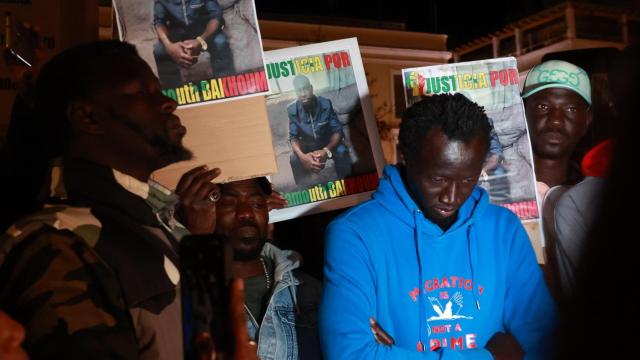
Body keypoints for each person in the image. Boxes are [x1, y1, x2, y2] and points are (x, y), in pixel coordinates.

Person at [0, 41, 254, 360]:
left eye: (159, 90)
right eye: (141, 93)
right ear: (87, 117)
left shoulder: (149, 221)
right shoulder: (57, 241)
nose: (168, 103)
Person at [319, 93, 556, 358]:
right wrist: (490, 357)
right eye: (437, 178)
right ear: (405, 155)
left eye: (468, 179)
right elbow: (349, 354)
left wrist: (397, 354)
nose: (452, 197)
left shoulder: (504, 229)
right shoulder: (355, 234)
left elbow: (543, 343)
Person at [177, 171, 322, 360]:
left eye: (257, 204)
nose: (246, 212)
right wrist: (196, 241)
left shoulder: (308, 291)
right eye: (228, 203)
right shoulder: (183, 294)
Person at [522, 59, 592, 194]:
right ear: (522, 111)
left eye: (571, 109)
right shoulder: (493, 187)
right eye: (543, 106)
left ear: (587, 120)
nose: (556, 121)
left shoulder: (599, 195)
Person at [153, 0, 234, 87]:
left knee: (220, 42)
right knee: (159, 51)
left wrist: (200, 41)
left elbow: (216, 16)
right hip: (177, 32)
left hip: (203, 31)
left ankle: (226, 85)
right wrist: (169, 46)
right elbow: (159, 21)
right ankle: (173, 90)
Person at [288, 74, 352, 185]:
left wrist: (326, 151)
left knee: (342, 151)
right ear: (295, 92)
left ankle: (346, 184)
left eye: (306, 89)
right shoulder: (291, 109)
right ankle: (305, 191)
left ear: (311, 88)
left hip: (327, 142)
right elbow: (293, 138)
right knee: (294, 159)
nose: (303, 94)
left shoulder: (325, 103)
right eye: (299, 91)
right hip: (308, 145)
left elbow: (338, 131)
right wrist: (303, 157)